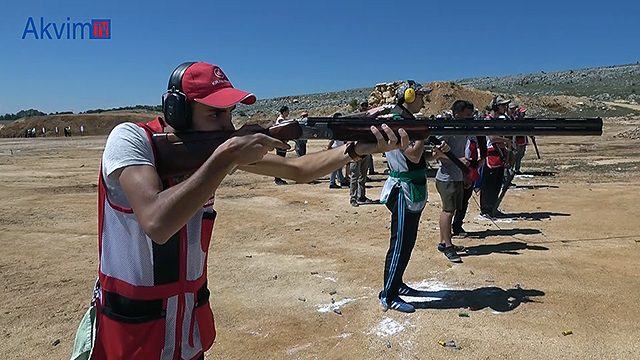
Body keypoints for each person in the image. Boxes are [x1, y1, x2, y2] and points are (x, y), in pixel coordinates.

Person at [85, 61, 409, 360]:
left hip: (185, 332)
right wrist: (225, 157)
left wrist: (353, 150)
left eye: (230, 114)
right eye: (215, 115)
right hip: (130, 336)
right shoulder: (130, 139)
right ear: (177, 111)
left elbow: (298, 170)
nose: (228, 126)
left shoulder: (214, 154)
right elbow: (157, 222)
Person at [377, 80, 446, 313]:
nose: (423, 101)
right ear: (407, 97)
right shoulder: (398, 123)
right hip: (403, 189)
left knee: (407, 243)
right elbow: (413, 156)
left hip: (412, 187)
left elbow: (419, 158)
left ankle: (397, 284)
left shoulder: (409, 122)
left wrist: (436, 152)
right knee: (399, 244)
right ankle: (388, 294)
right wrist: (425, 136)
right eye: (419, 97)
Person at [434, 100, 475, 262]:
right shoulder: (447, 130)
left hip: (456, 177)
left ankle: (444, 242)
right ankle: (449, 247)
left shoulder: (461, 129)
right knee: (448, 211)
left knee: (450, 210)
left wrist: (464, 175)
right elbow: (436, 154)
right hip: (446, 178)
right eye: (467, 115)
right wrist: (458, 160)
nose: (470, 117)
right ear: (457, 114)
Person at [480, 96, 512, 218]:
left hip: (499, 154)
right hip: (491, 154)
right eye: (502, 105)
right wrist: (506, 140)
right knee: (489, 184)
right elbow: (492, 138)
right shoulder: (488, 120)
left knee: (497, 184)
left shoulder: (499, 120)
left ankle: (493, 207)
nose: (505, 108)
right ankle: (485, 209)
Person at [349, 101, 375, 206]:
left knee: (363, 174)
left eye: (366, 105)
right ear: (359, 107)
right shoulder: (354, 118)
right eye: (362, 105)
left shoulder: (368, 118)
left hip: (366, 149)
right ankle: (353, 197)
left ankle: (362, 196)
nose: (364, 107)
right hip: (355, 149)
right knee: (354, 175)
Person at [273, 106, 289, 185]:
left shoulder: (281, 119)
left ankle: (278, 178)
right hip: (280, 143)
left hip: (281, 143)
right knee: (280, 161)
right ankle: (277, 179)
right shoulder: (281, 120)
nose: (288, 113)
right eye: (287, 111)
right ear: (284, 112)